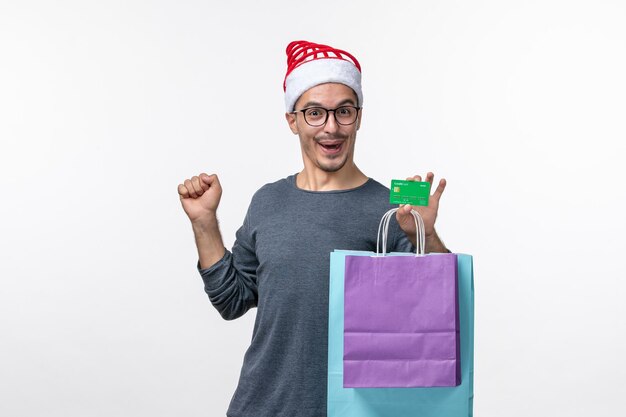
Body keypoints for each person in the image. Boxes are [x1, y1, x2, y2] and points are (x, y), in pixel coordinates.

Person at [177, 40, 449, 417]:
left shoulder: (393, 208)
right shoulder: (267, 201)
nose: (331, 128)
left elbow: (439, 315)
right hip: (263, 406)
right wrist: (204, 223)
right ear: (293, 120)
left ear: (359, 116)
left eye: (344, 112)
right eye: (315, 113)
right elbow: (232, 301)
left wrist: (427, 234)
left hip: (355, 409)